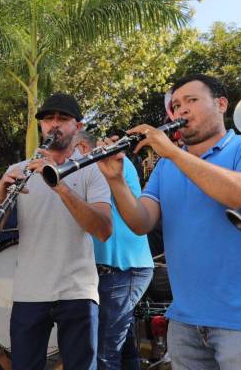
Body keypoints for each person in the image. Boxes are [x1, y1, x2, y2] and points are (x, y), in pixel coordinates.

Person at [97, 74, 241, 369]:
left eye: (191, 100)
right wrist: (115, 181)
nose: (181, 111)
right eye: (175, 106)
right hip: (185, 323)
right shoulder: (165, 167)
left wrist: (173, 153)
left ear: (221, 104)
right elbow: (141, 222)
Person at [0, 93, 113, 370]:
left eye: (63, 119)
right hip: (30, 291)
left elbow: (103, 229)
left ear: (77, 127)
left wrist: (58, 183)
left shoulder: (92, 170)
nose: (54, 125)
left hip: (78, 290)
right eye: (48, 119)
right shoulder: (18, 170)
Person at [73, 130, 153, 370]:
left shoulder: (107, 161)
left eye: (71, 151)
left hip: (121, 267)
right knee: (123, 348)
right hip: (119, 268)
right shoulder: (103, 161)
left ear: (82, 148)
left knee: (105, 353)